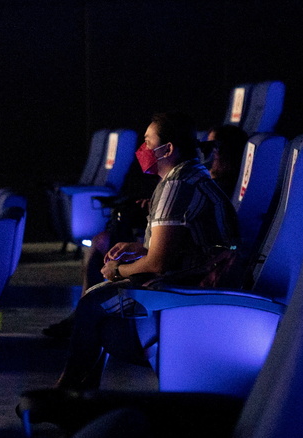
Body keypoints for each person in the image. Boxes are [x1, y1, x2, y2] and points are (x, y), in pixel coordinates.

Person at [55, 111, 240, 389]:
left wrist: (118, 270)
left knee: (93, 302)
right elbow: (179, 248)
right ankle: (78, 390)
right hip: (190, 280)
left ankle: (68, 389)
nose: (143, 149)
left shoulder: (178, 185)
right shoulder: (189, 175)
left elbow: (158, 264)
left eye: (148, 141)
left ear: (167, 149)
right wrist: (140, 248)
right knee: (98, 301)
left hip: (191, 292)